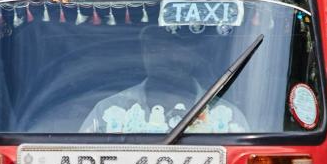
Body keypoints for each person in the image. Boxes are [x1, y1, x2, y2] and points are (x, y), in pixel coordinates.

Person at [81, 26, 249, 134]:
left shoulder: (226, 117)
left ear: (195, 56)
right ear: (143, 54)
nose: (164, 56)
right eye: (155, 48)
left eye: (176, 48)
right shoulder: (109, 111)